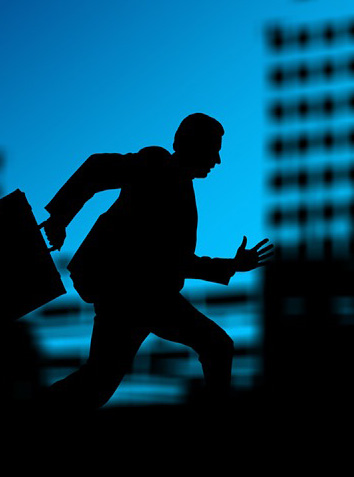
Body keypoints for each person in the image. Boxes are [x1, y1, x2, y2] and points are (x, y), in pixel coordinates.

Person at [38, 113, 273, 410]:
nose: (218, 160)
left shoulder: (181, 187)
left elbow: (175, 261)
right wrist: (60, 216)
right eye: (214, 148)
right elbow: (97, 168)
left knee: (97, 382)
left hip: (141, 295)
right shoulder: (157, 163)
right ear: (191, 144)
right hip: (135, 292)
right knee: (216, 346)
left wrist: (231, 266)